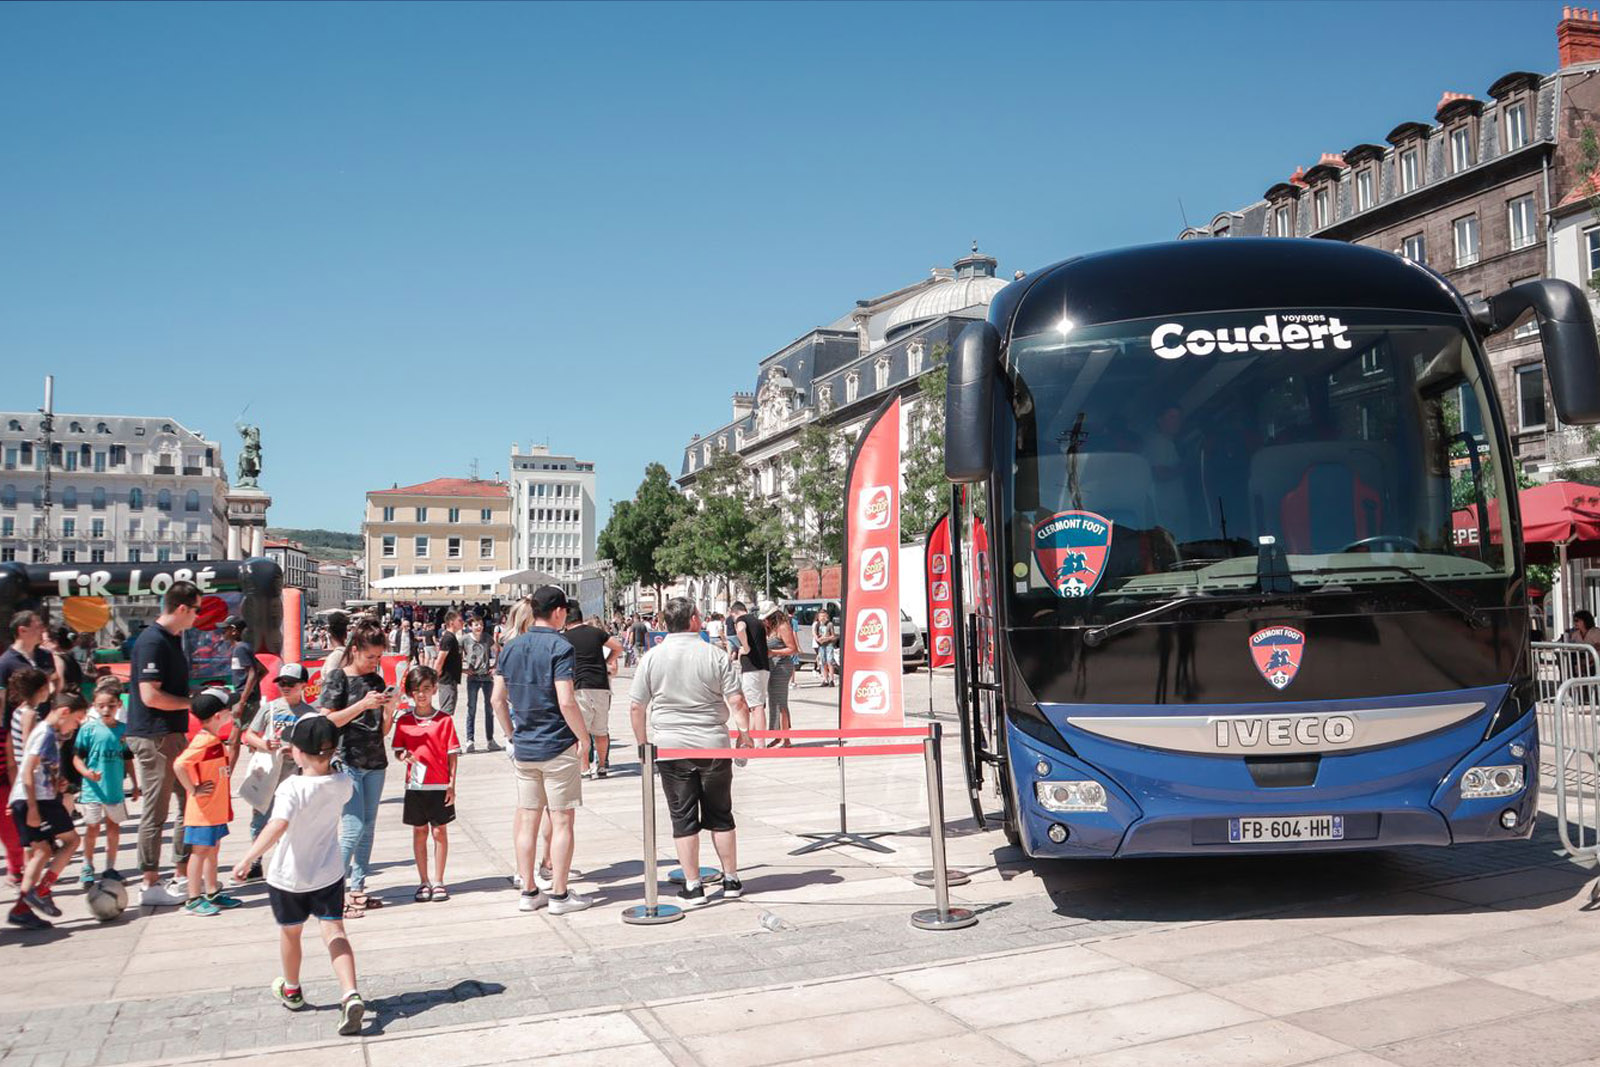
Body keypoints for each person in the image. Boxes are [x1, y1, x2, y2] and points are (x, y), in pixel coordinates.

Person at [230, 715, 366, 1036]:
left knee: (291, 934)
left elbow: (277, 825)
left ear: (297, 753)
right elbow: (335, 780)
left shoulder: (291, 787)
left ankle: (291, 989)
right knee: (334, 932)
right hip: (329, 873)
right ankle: (350, 993)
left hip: (289, 877)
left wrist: (249, 857)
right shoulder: (343, 783)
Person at [629, 596, 754, 907]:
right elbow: (737, 701)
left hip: (671, 747)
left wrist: (643, 742)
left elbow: (636, 705)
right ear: (694, 620)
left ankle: (693, 884)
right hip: (713, 743)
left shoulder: (652, 657)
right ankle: (730, 878)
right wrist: (745, 735)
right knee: (721, 814)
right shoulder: (715, 655)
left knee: (682, 818)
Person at [491, 587, 592, 916]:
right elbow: (566, 699)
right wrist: (584, 737)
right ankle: (560, 895)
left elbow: (496, 699)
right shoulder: (560, 647)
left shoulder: (510, 647)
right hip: (557, 744)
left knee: (527, 820)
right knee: (562, 821)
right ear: (560, 612)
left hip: (525, 746)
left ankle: (529, 890)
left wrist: (510, 734)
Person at [126, 580, 203, 908]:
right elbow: (150, 696)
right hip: (154, 734)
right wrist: (192, 704)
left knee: (189, 804)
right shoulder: (153, 642)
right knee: (157, 810)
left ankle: (180, 874)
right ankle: (149, 882)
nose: (198, 617)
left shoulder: (170, 639)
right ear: (183, 608)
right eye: (196, 610)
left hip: (169, 734)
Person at [318, 620, 399, 917]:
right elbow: (326, 721)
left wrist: (390, 709)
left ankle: (358, 887)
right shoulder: (338, 678)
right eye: (370, 657)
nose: (375, 663)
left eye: (379, 658)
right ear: (355, 650)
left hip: (376, 760)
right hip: (347, 760)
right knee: (352, 828)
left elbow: (382, 731)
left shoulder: (376, 681)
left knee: (368, 827)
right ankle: (332, 893)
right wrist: (362, 705)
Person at [6, 692, 87, 929]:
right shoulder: (44, 733)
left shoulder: (49, 733)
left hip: (40, 798)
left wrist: (57, 781)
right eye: (77, 719)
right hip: (38, 801)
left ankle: (22, 908)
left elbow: (41, 770)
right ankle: (41, 890)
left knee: (41, 851)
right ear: (64, 712)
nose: (77, 724)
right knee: (71, 842)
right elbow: (28, 770)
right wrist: (31, 807)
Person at [237, 663, 318, 882]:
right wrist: (265, 744)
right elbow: (249, 735)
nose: (285, 687)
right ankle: (255, 862)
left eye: (291, 684)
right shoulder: (270, 708)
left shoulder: (311, 714)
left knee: (291, 820)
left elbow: (316, 747)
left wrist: (297, 751)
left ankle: (286, 861)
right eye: (282, 683)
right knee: (259, 819)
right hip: (267, 774)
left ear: (303, 685)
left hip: (294, 776)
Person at [393, 665, 460, 901]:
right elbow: (398, 750)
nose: (421, 694)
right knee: (419, 832)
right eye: (416, 690)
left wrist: (451, 783)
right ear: (410, 693)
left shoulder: (444, 721)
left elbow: (452, 754)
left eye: (426, 689)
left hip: (439, 785)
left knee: (440, 832)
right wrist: (403, 757)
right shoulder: (403, 721)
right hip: (415, 786)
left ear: (434, 690)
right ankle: (423, 881)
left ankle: (439, 880)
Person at [173, 687, 242, 916]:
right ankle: (193, 898)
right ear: (218, 716)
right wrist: (193, 789)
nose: (232, 714)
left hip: (214, 811)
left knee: (212, 850)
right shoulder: (205, 741)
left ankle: (212, 891)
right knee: (200, 852)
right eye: (228, 711)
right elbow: (180, 764)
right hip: (203, 812)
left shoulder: (213, 740)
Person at [75, 685, 137, 885]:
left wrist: (136, 784)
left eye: (111, 705)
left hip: (114, 789)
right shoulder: (88, 729)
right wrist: (86, 773)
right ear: (94, 706)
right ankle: (87, 865)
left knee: (113, 827)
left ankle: (110, 867)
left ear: (119, 705)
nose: (106, 710)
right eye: (101, 706)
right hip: (92, 789)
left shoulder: (122, 731)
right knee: (92, 827)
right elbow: (76, 757)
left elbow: (128, 758)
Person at [563, 604, 622, 778]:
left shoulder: (564, 638)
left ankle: (585, 768)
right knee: (601, 731)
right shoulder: (596, 632)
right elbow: (618, 647)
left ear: (566, 621)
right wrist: (607, 662)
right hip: (601, 686)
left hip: (580, 686)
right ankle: (602, 766)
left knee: (581, 731)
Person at [225, 616, 264, 766]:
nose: (223, 632)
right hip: (248, 699)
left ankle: (227, 776)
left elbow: (254, 674)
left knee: (234, 739)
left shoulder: (240, 648)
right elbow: (261, 670)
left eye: (226, 628)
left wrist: (242, 700)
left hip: (246, 700)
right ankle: (259, 771)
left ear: (234, 631)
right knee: (249, 738)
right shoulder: (242, 648)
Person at [730, 601, 770, 741]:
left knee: (756, 707)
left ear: (733, 612)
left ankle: (760, 742)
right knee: (757, 704)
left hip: (751, 667)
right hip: (764, 666)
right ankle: (751, 739)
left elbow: (740, 629)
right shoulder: (758, 621)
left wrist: (745, 647)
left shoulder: (741, 620)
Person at [763, 603, 800, 745]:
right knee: (774, 702)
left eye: (767, 617)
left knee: (781, 702)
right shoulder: (771, 628)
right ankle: (778, 735)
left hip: (782, 667)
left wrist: (773, 652)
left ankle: (786, 739)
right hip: (773, 667)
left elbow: (793, 649)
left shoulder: (783, 627)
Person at [460, 616, 496, 752]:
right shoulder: (465, 639)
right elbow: (456, 654)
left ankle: (490, 740)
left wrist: (495, 665)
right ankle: (470, 740)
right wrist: (462, 669)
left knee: (489, 709)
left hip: (486, 677)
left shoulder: (487, 638)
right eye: (476, 625)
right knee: (472, 709)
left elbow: (497, 649)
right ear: (470, 626)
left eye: (480, 624)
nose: (479, 627)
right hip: (473, 677)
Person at [431, 611, 464, 727]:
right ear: (451, 622)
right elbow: (440, 660)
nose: (462, 623)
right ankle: (441, 739)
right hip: (447, 680)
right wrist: (435, 678)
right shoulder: (448, 638)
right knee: (446, 712)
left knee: (448, 711)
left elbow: (451, 661)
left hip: (451, 679)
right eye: (459, 620)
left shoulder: (451, 637)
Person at [813, 609, 838, 688]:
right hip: (821, 645)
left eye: (824, 616)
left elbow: (833, 636)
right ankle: (825, 679)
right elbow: (815, 634)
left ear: (827, 616)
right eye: (821, 616)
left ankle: (832, 680)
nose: (822, 618)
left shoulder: (829, 624)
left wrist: (826, 638)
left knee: (830, 661)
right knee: (823, 662)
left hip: (829, 644)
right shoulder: (817, 625)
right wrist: (818, 639)